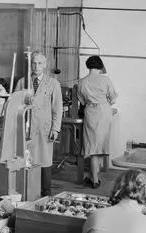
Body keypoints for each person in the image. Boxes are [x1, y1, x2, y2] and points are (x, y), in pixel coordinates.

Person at [14, 52, 63, 198]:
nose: (37, 66)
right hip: (25, 129)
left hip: (44, 129)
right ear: (30, 65)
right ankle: (27, 193)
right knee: (27, 161)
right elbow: (15, 104)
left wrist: (55, 128)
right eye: (34, 63)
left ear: (45, 64)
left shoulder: (53, 83)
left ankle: (45, 194)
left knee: (44, 162)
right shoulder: (23, 82)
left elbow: (57, 108)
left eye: (40, 63)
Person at [75, 55, 118, 189]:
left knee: (92, 146)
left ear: (88, 66)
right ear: (100, 66)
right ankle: (94, 178)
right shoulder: (105, 79)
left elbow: (81, 101)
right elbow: (113, 98)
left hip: (91, 113)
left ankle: (93, 177)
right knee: (100, 145)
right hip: (105, 112)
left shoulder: (81, 82)